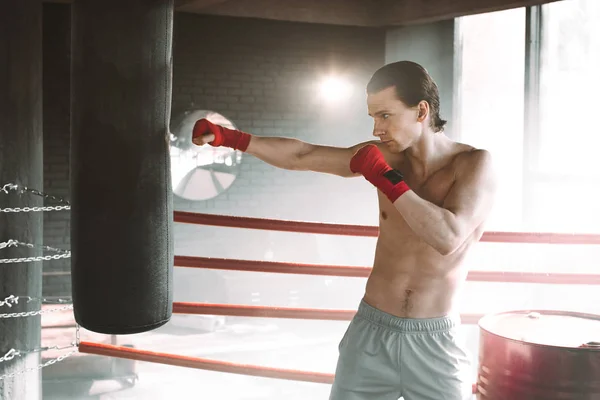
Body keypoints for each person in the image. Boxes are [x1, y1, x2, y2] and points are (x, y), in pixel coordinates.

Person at [192, 60, 496, 400]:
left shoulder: (473, 165)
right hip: (372, 331)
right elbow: (303, 155)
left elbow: (448, 237)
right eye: (373, 118)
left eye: (385, 116)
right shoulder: (387, 157)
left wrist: (387, 180)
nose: (376, 129)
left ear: (421, 111)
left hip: (434, 341)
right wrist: (230, 138)